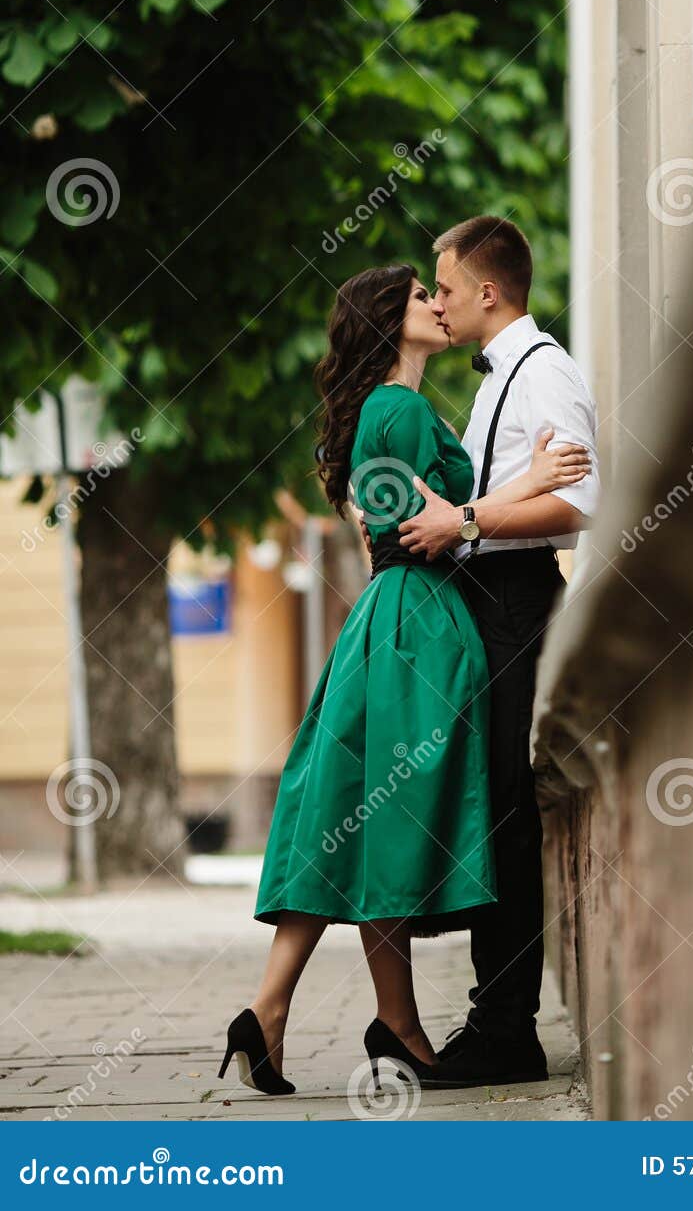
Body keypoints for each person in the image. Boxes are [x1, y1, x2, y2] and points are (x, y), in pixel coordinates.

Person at [219, 264, 590, 1096]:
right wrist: (532, 481)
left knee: (363, 811)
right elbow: (431, 533)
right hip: (420, 620)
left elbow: (387, 527)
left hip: (390, 617)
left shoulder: (381, 413)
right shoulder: (402, 409)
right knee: (380, 813)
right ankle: (339, 1017)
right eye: (424, 295)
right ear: (393, 319)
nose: (438, 303)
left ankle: (355, 1019)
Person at [394, 216, 600, 1088]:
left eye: (442, 286)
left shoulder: (544, 371)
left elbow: (579, 501)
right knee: (492, 814)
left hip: (515, 605)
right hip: (486, 605)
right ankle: (496, 1017)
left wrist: (464, 520)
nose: (436, 302)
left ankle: (505, 1030)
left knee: (508, 818)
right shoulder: (493, 383)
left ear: (486, 291)